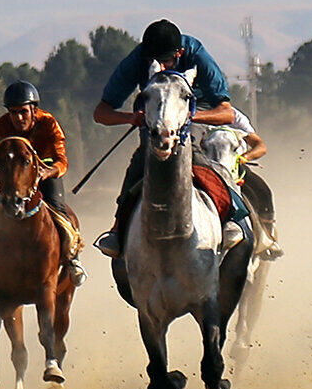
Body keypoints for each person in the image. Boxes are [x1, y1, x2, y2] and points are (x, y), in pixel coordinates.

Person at [92, 19, 240, 258]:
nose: (159, 66)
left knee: (195, 157)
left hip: (192, 109)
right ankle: (118, 229)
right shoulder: (137, 59)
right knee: (140, 162)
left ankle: (231, 216)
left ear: (180, 53)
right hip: (154, 110)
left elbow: (226, 112)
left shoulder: (197, 55)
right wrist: (131, 118)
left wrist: (190, 116)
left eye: (166, 61)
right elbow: (101, 113)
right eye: (153, 61)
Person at [0, 80, 88, 286]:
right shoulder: (1, 127)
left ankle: (72, 259)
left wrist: (47, 172)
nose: (18, 118)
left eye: (23, 111)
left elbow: (62, 161)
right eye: (13, 112)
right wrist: (5, 177)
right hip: (14, 180)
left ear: (34, 109)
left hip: (45, 175)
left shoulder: (49, 123)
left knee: (59, 209)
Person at [203, 107, 283, 260]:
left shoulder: (236, 117)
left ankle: (268, 237)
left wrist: (245, 157)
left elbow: (260, 146)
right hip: (204, 167)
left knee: (263, 191)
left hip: (235, 168)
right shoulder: (192, 113)